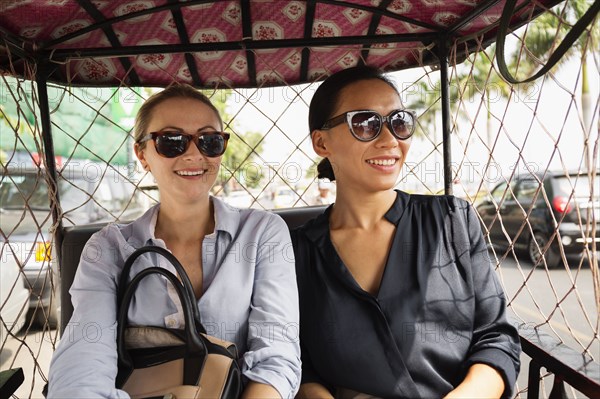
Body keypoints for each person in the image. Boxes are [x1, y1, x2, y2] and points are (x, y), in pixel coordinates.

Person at [47, 85, 301, 398]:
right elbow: (84, 361)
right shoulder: (109, 249)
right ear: (142, 154)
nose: (194, 154)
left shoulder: (262, 233)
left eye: (209, 141)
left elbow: (276, 355)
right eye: (172, 142)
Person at [292, 66, 521, 399]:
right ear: (322, 142)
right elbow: (297, 359)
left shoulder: (451, 221)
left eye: (398, 122)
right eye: (365, 123)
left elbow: (496, 337)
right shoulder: (299, 251)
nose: (389, 141)